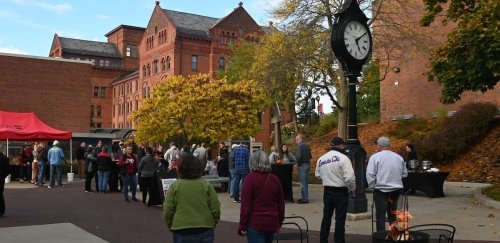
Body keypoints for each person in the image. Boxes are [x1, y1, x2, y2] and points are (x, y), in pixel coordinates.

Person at [163, 154, 221, 243]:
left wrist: (170, 224)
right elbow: (215, 207)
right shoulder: (206, 185)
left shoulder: (175, 186)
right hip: (204, 227)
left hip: (181, 227)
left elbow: (168, 209)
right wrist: (214, 221)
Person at [238, 150, 285, 243]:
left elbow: (246, 206)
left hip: (256, 222)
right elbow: (281, 204)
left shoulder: (250, 179)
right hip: (272, 222)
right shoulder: (275, 179)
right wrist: (280, 222)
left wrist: (242, 225)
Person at [315, 137, 356, 243]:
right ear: (340, 145)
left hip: (327, 190)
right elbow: (350, 177)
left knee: (326, 217)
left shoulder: (322, 158)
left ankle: (323, 239)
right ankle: (339, 240)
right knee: (340, 218)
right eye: (343, 145)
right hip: (340, 191)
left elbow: (317, 174)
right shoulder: (343, 158)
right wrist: (352, 189)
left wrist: (327, 177)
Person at [366, 136, 408, 232]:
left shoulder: (375, 157)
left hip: (380, 190)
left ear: (379, 145)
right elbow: (405, 174)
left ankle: (381, 236)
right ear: (389, 145)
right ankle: (393, 235)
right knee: (392, 214)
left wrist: (372, 186)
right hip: (395, 190)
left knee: (380, 216)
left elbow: (369, 174)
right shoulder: (399, 157)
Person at [295, 134, 312, 204]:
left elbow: (299, 157)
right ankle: (304, 197)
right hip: (307, 164)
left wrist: (297, 164)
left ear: (300, 139)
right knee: (305, 182)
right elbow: (310, 156)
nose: (296, 141)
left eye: (296, 139)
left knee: (302, 183)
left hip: (302, 165)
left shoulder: (300, 146)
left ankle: (305, 199)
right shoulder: (307, 145)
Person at [0, 144, 11, 217]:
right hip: (1, 179)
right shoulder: (4, 158)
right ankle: (1, 210)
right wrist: (3, 176)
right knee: (0, 194)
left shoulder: (4, 158)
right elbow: (8, 170)